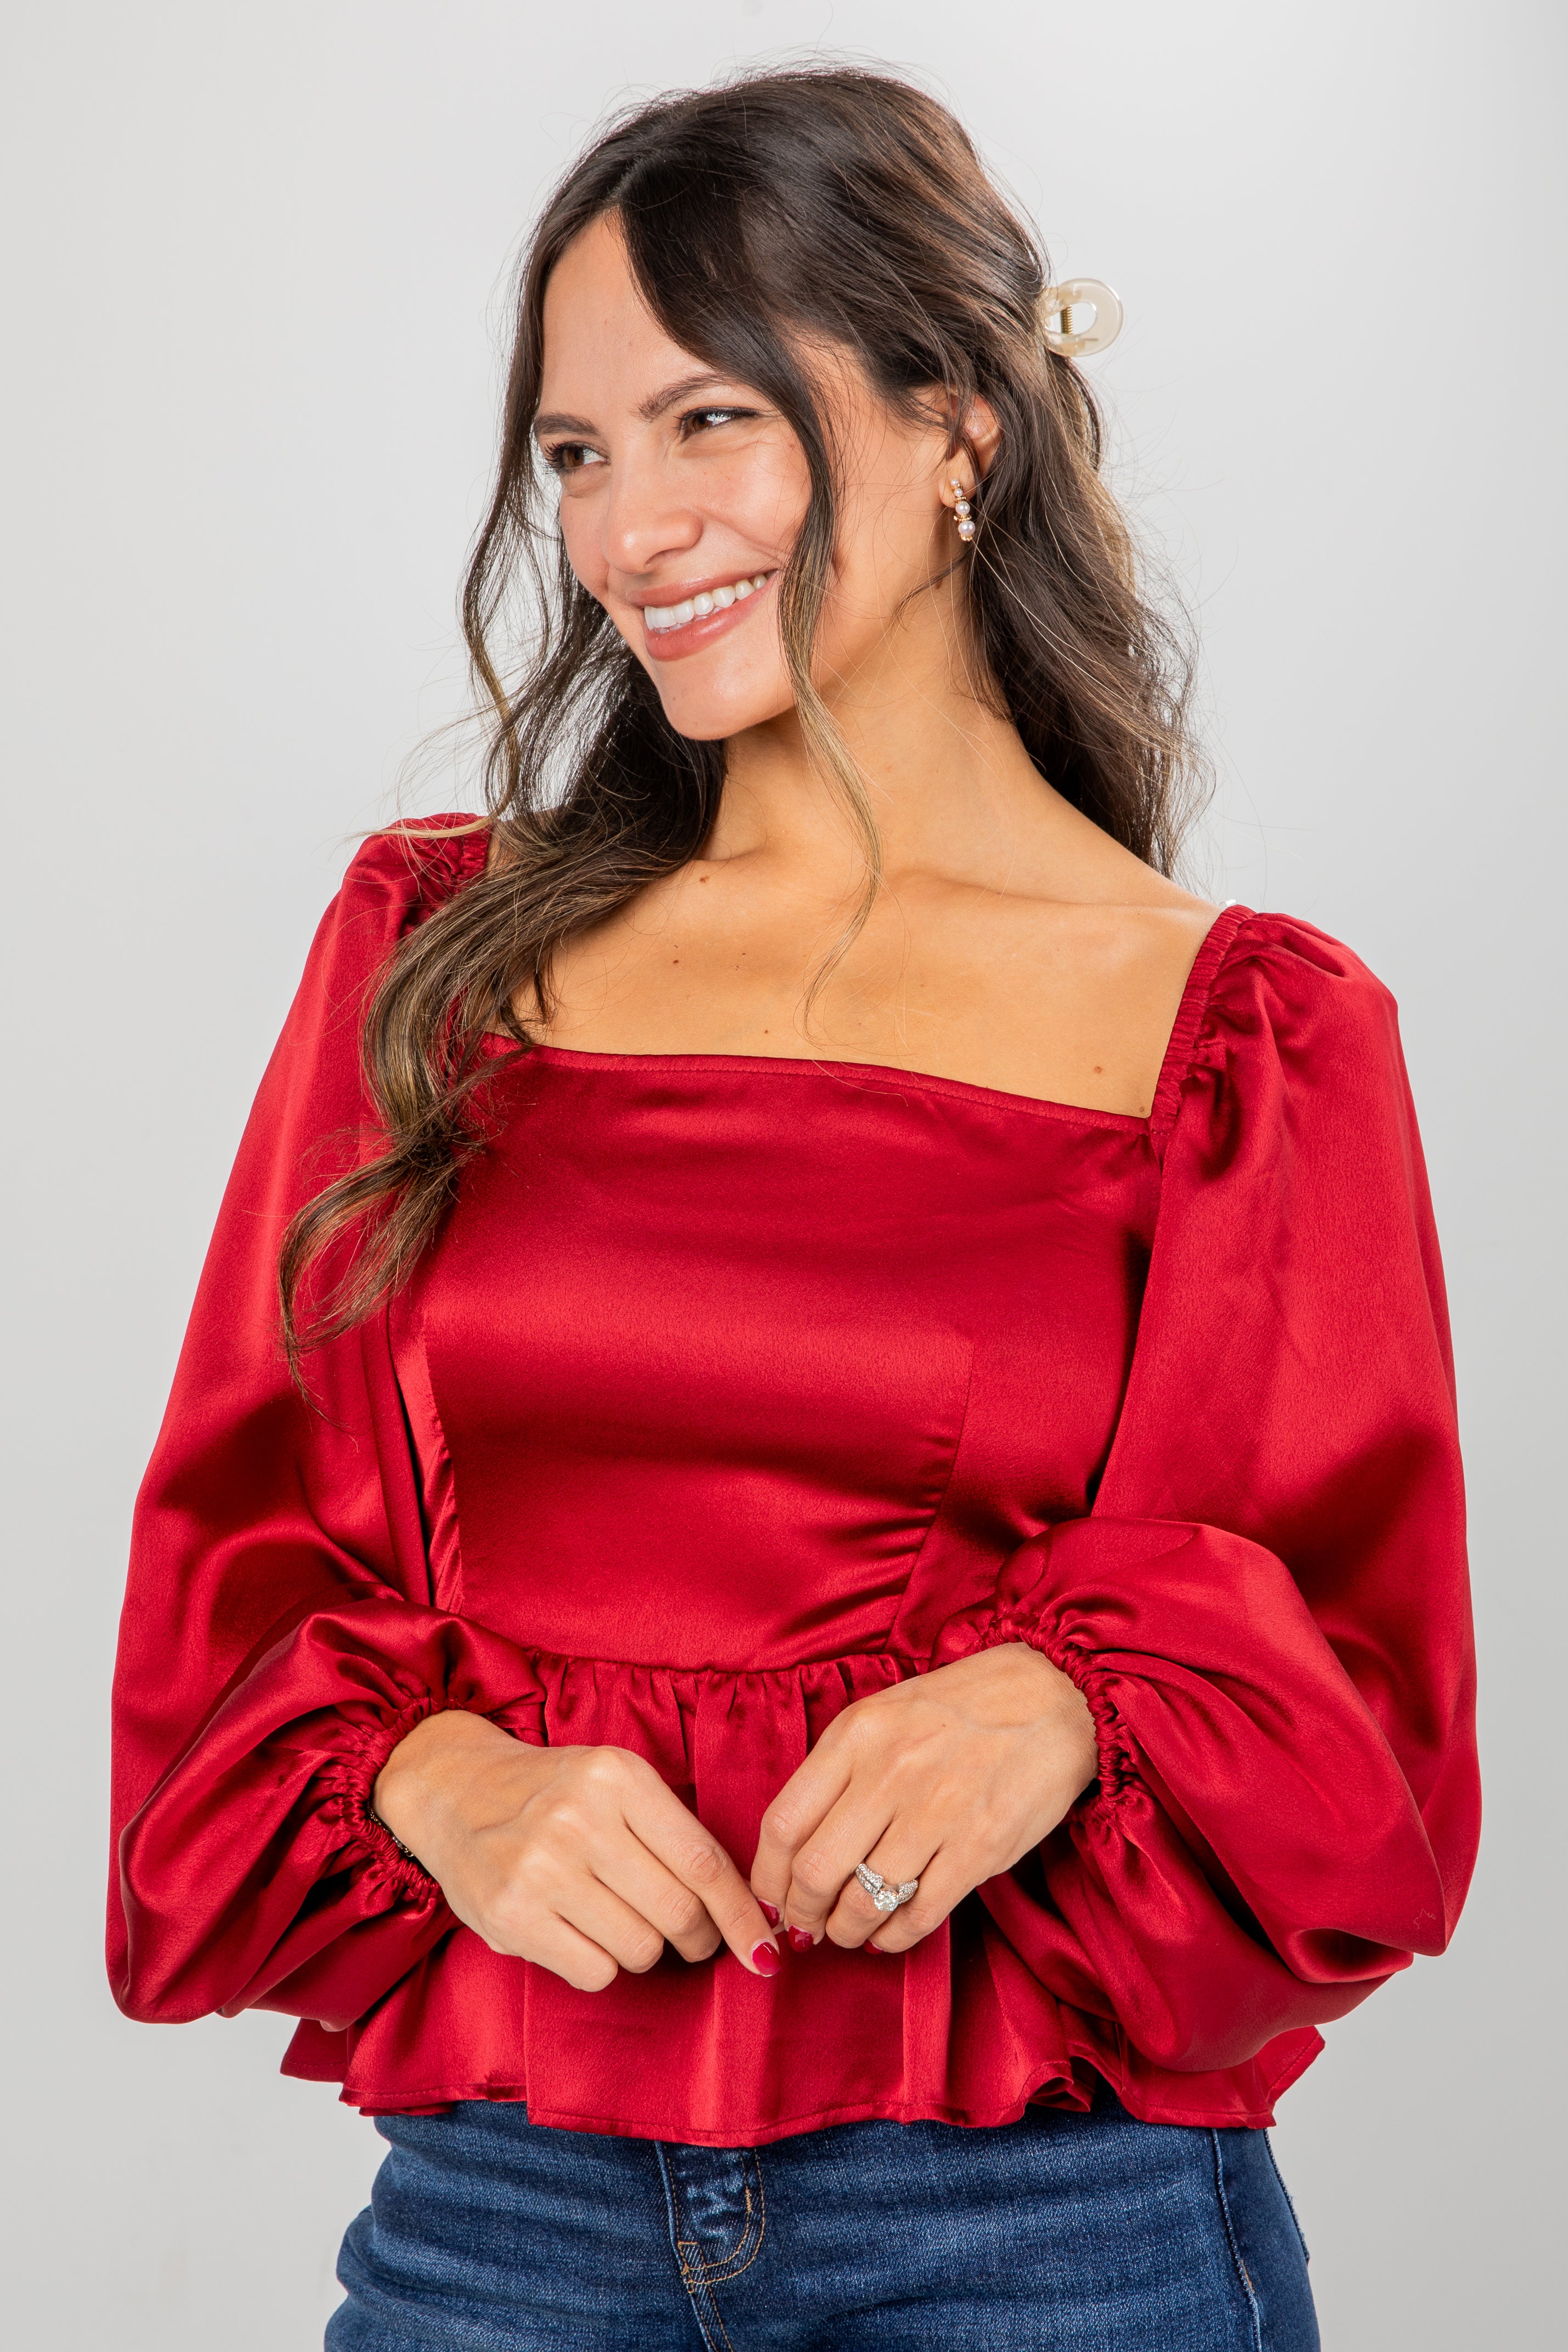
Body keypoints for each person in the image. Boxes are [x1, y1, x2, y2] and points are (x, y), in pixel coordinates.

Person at [108, 65, 1479, 2352]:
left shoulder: (1237, 1032)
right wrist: (441, 1780)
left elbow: (1367, 1729)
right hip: (500, 2215)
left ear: (960, 422)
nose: (631, 528)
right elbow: (238, 1566)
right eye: (574, 454)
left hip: (1048, 2225)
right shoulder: (440, 960)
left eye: (708, 420)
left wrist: (1063, 1705)